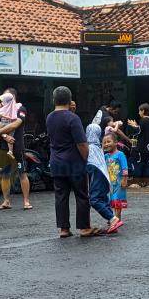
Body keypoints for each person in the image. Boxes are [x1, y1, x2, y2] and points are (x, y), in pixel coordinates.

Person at [46, 87, 98, 238]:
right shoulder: (73, 118)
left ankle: (64, 229)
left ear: (53, 100)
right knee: (81, 195)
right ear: (70, 101)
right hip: (74, 162)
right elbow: (81, 143)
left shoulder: (49, 117)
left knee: (61, 196)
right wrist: (86, 158)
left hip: (56, 162)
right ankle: (84, 228)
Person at [0, 88, 32, 211]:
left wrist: (0, 132)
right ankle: (6, 201)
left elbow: (16, 124)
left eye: (5, 98)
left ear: (13, 97)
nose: (2, 101)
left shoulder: (20, 109)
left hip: (18, 146)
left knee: (22, 173)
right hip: (4, 146)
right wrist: (4, 135)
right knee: (5, 174)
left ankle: (26, 201)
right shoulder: (2, 110)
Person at [86, 110, 123, 234]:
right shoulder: (97, 146)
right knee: (103, 199)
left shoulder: (89, 148)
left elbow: (89, 166)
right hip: (105, 178)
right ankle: (112, 220)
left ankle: (113, 219)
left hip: (97, 177)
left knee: (95, 200)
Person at [103, 133, 128, 221]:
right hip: (111, 183)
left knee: (118, 199)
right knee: (113, 200)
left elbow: (125, 167)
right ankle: (117, 218)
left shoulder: (120, 154)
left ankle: (116, 219)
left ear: (116, 142)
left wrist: (125, 179)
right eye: (104, 142)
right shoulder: (105, 156)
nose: (106, 144)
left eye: (109, 141)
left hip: (119, 181)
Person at [135, 103, 149, 182]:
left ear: (143, 111)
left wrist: (135, 126)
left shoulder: (143, 120)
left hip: (143, 146)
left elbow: (139, 132)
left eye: (139, 111)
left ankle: (140, 181)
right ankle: (147, 180)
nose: (139, 113)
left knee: (141, 163)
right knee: (148, 163)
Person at [0, 91, 19, 158]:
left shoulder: (3, 108)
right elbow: (13, 118)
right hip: (7, 126)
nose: (2, 103)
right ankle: (10, 151)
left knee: (1, 133)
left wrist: (2, 134)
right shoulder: (12, 108)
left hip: (4, 125)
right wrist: (4, 135)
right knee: (9, 137)